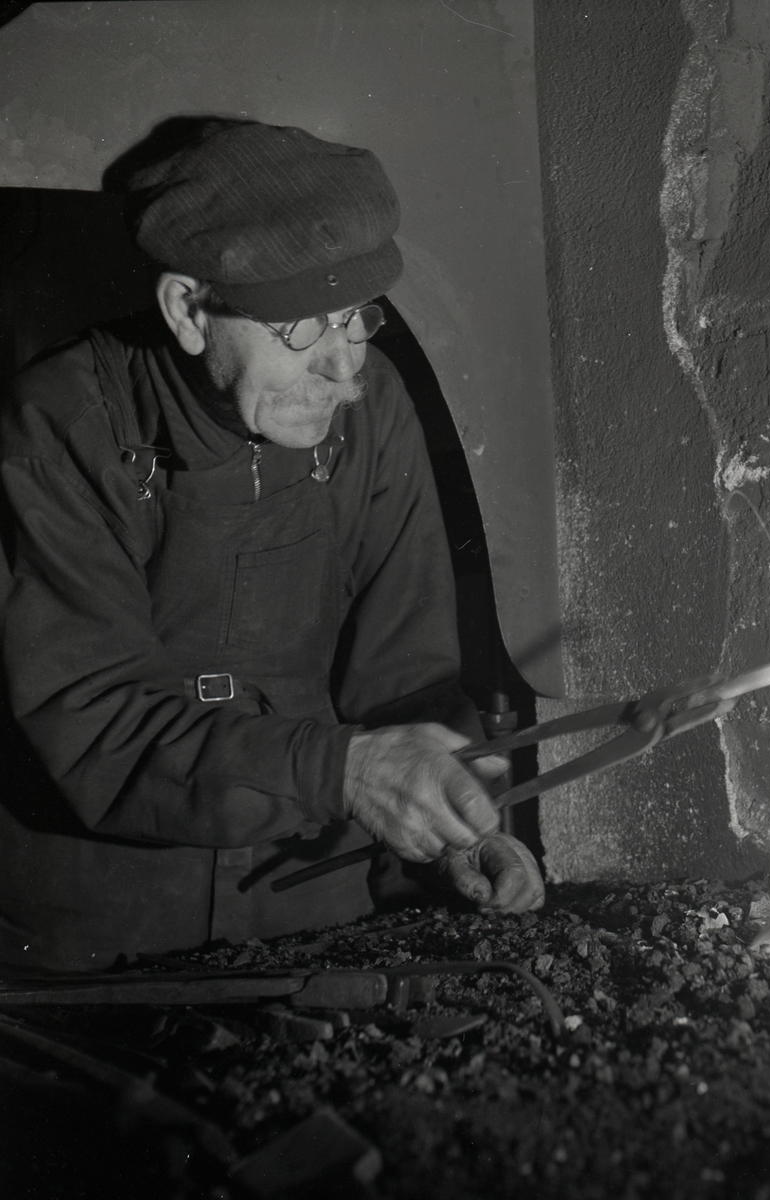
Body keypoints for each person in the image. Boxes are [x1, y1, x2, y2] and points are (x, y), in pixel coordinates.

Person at [0, 119, 543, 972]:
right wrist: (343, 773)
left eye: (357, 319)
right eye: (299, 328)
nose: (344, 369)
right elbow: (93, 723)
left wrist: (451, 827)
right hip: (99, 936)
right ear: (188, 308)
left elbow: (405, 672)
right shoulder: (62, 427)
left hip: (311, 917)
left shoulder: (371, 408)